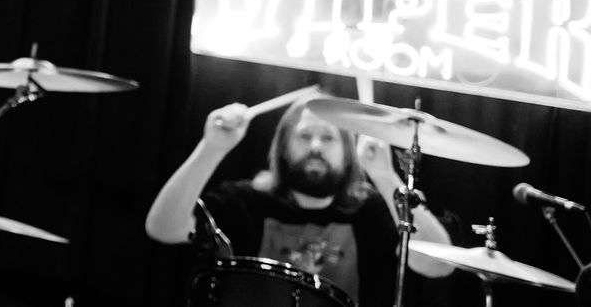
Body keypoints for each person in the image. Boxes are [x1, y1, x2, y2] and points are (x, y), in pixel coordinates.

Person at [144, 96, 453, 306]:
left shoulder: (371, 209)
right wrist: (212, 148)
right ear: (283, 147)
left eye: (328, 138)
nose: (316, 146)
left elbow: (438, 266)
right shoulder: (246, 200)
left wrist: (384, 175)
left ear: (348, 153)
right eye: (305, 136)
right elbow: (163, 229)